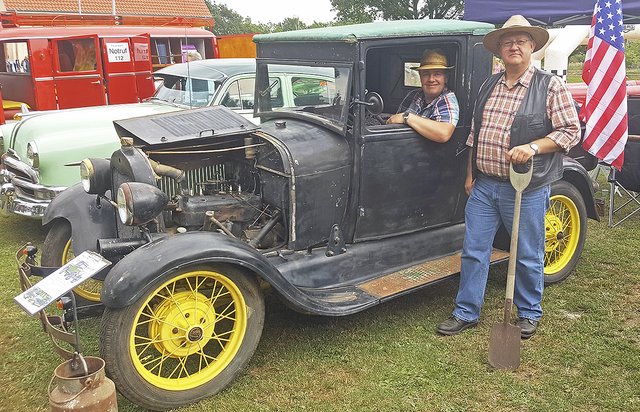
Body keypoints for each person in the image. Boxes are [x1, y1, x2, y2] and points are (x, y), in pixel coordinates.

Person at [437, 15, 580, 339]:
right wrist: (470, 175)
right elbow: (476, 134)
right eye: (507, 41)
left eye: (520, 41)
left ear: (532, 46)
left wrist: (532, 146)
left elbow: (571, 131)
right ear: (499, 49)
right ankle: (466, 311)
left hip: (526, 187)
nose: (513, 46)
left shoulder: (549, 85)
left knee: (527, 252)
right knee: (474, 249)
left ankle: (528, 312)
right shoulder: (490, 84)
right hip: (485, 186)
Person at [386, 49, 459, 143]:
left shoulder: (447, 99)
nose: (431, 79)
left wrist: (407, 117)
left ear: (446, 78)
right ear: (420, 77)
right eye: (426, 74)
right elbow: (396, 123)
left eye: (437, 74)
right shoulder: (413, 95)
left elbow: (444, 134)